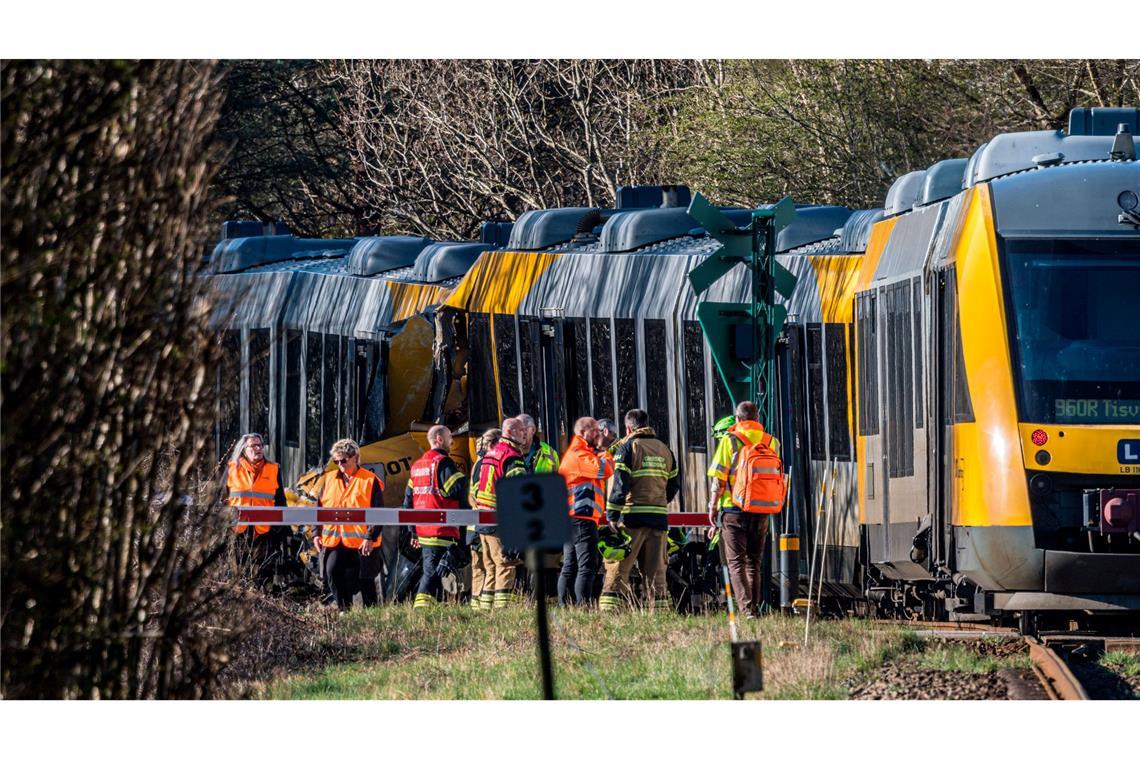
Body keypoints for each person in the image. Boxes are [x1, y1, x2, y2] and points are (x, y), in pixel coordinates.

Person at [707, 401, 782, 619]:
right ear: (757, 419)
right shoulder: (771, 442)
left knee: (736, 562)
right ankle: (754, 608)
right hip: (762, 509)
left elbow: (719, 478)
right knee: (754, 562)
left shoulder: (730, 440)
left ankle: (747, 610)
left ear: (738, 419)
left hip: (734, 509)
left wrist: (712, 507)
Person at [599, 409, 679, 612]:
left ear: (628, 427)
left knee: (619, 566)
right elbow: (674, 485)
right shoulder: (665, 450)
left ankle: (610, 611)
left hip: (632, 518)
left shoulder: (627, 448)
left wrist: (612, 515)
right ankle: (658, 612)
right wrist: (659, 502)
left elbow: (620, 485)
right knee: (656, 570)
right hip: (658, 519)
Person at [315, 439, 384, 610]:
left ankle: (372, 617)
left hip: (363, 541)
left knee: (365, 580)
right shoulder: (328, 479)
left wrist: (370, 537)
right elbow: (318, 509)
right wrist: (316, 533)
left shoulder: (370, 480)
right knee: (332, 572)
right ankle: (343, 610)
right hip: (335, 540)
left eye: (343, 460)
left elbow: (378, 513)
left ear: (355, 457)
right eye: (336, 461)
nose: (340, 464)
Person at [405, 425, 468, 610]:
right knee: (432, 573)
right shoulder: (443, 463)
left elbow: (407, 502)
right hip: (441, 529)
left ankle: (434, 609)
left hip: (424, 531)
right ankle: (421, 611)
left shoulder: (417, 466)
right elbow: (456, 489)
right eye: (450, 438)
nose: (453, 442)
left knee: (436, 571)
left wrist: (413, 532)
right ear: (439, 439)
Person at [471, 417, 529, 608]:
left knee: (490, 567)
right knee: (505, 565)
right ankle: (503, 611)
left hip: (483, 518)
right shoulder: (511, 457)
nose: (525, 434)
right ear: (511, 432)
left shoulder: (491, 453)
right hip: (500, 520)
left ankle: (485, 609)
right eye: (521, 430)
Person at [557, 417, 614, 606]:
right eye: (595, 430)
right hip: (581, 519)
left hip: (573, 518)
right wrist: (605, 452)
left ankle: (565, 605)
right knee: (586, 567)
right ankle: (583, 607)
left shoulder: (582, 453)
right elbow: (605, 470)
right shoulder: (579, 455)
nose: (599, 433)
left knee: (570, 566)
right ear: (583, 432)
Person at [226, 433, 289, 587]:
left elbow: (280, 501)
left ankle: (262, 606)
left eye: (260, 445)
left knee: (263, 575)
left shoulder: (273, 469)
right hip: (238, 531)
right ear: (243, 450)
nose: (258, 448)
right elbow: (221, 499)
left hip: (265, 531)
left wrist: (278, 529)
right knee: (239, 575)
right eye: (253, 446)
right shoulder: (231, 469)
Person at [468, 429, 501, 610]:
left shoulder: (477, 464)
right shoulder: (489, 463)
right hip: (485, 523)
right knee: (490, 566)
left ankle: (477, 606)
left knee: (479, 567)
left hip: (475, 525)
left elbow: (472, 496)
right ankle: (486, 605)